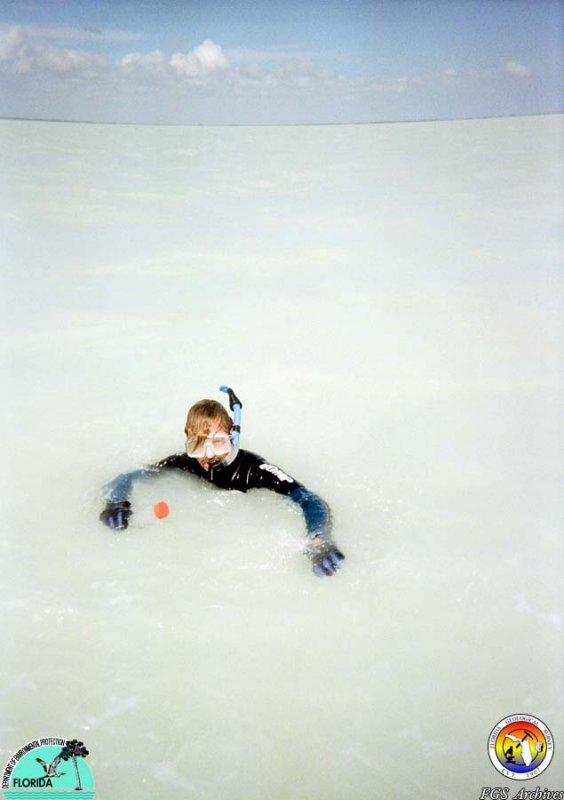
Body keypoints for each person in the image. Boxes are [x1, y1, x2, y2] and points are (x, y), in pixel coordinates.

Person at [100, 387, 344, 578]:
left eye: (218, 443)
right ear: (187, 441)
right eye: (198, 445)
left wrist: (319, 537)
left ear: (232, 437)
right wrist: (116, 501)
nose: (209, 456)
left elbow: (309, 499)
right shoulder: (185, 463)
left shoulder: (254, 470)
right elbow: (130, 476)